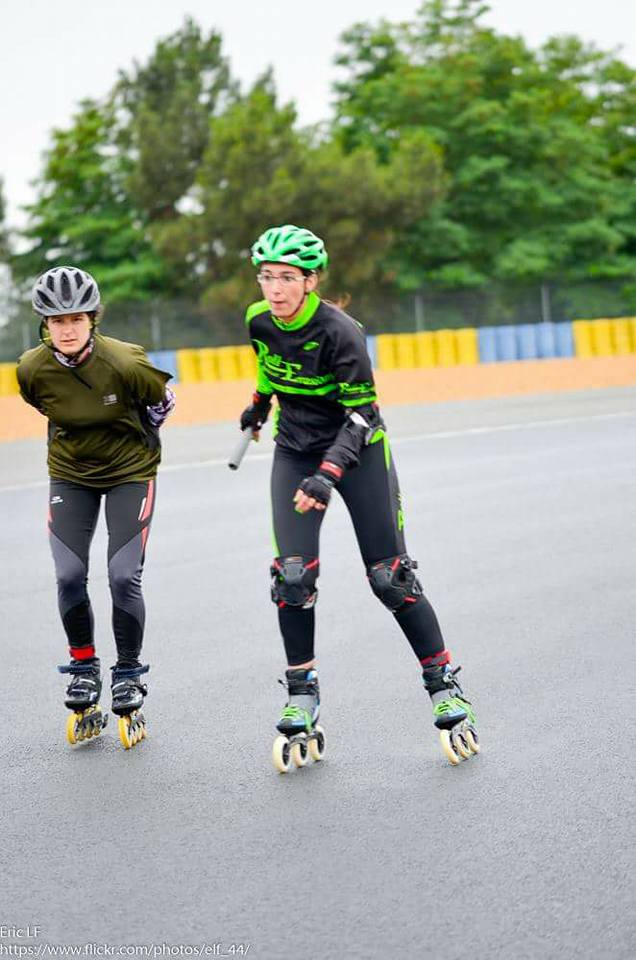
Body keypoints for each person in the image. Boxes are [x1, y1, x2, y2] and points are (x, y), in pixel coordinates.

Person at [239, 224, 478, 769]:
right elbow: (270, 367)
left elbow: (361, 413)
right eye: (266, 276)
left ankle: (444, 684)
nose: (274, 288)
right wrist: (258, 404)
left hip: (358, 450)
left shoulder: (341, 332)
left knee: (389, 576)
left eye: (286, 278)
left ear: (310, 280)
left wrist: (327, 474)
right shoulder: (257, 318)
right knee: (292, 575)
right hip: (296, 450)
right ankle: (302, 692)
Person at [17, 266, 175, 748]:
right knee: (68, 575)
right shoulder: (30, 368)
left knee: (123, 575)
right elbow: (44, 404)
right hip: (71, 473)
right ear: (45, 324)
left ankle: (128, 672)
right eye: (56, 320)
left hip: (129, 471)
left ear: (92, 318)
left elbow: (164, 402)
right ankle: (84, 665)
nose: (66, 328)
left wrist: (138, 430)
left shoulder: (126, 362)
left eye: (76, 318)